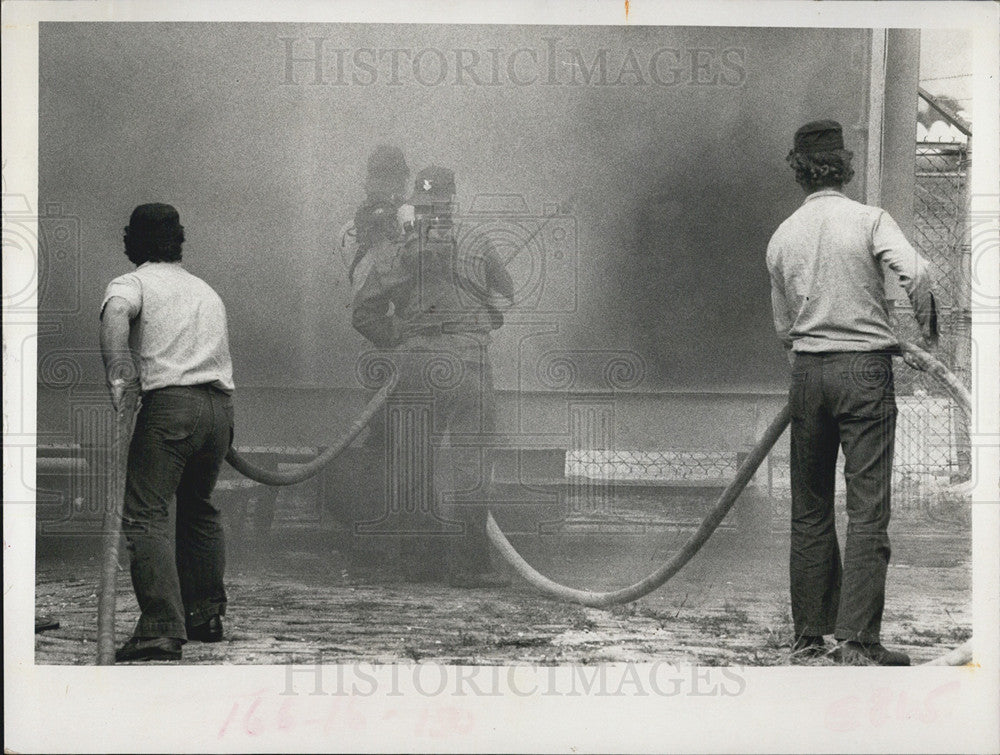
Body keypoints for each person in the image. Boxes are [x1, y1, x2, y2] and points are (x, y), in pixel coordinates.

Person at [766, 120, 938, 666]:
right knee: (867, 512)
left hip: (808, 376)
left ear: (798, 170)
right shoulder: (869, 220)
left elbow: (782, 330)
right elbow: (919, 274)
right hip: (865, 372)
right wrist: (927, 334)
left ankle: (809, 638)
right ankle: (859, 642)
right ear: (846, 166)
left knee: (810, 509)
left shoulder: (781, 236)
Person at [352, 166, 514, 587]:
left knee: (413, 463)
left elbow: (364, 313)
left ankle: (419, 563)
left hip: (416, 369)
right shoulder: (477, 242)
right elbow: (507, 294)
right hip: (469, 366)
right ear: (452, 201)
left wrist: (402, 340)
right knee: (471, 464)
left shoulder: (393, 249)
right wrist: (484, 316)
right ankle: (472, 566)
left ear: (415, 204)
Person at [100, 203, 235, 662]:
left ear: (132, 242)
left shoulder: (131, 284)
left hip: (171, 409)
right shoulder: (205, 290)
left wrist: (120, 378)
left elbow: (117, 314)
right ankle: (205, 616)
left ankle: (160, 629)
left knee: (144, 515)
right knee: (198, 509)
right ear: (178, 240)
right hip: (219, 411)